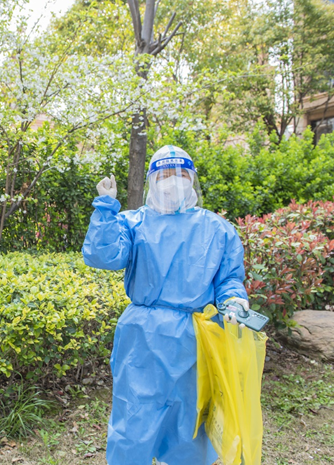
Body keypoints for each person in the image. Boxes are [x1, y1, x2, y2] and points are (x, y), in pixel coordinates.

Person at [82, 145, 250, 465]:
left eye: (181, 174)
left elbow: (228, 277)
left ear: (192, 179)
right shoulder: (133, 223)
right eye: (165, 175)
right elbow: (103, 256)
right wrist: (105, 208)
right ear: (152, 182)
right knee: (134, 419)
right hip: (141, 341)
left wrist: (233, 301)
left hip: (195, 340)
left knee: (190, 421)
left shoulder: (217, 229)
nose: (173, 182)